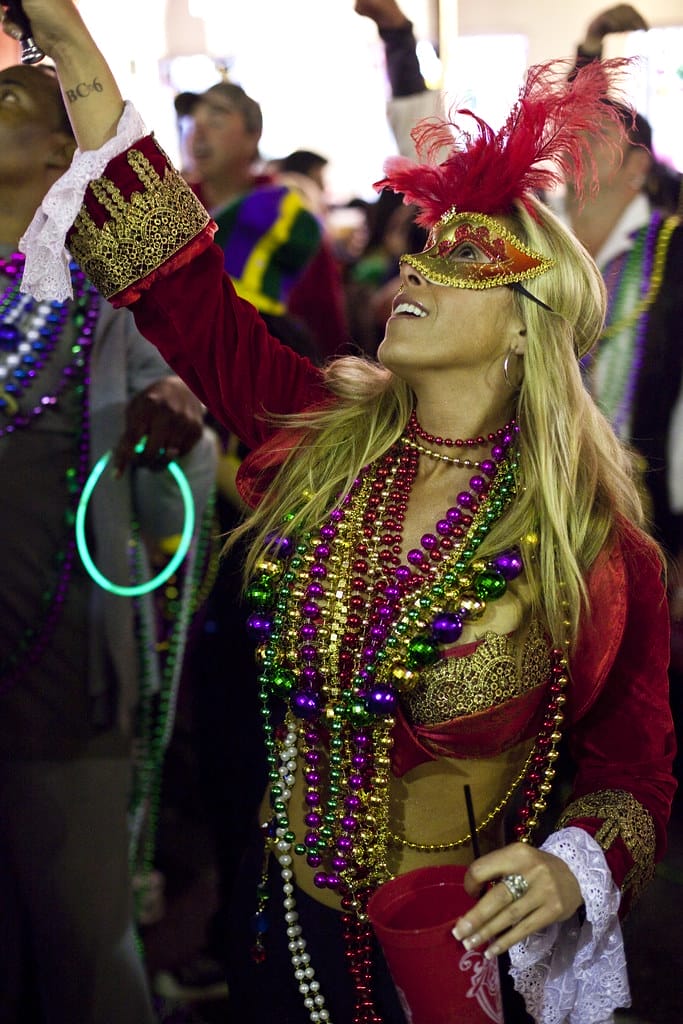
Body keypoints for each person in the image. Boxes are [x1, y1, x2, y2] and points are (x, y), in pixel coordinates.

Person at [5, 4, 678, 1023]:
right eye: (419, 249)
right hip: (283, 929)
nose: (414, 266)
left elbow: (632, 768)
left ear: (523, 326)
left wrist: (568, 862)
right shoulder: (318, 444)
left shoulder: (592, 543)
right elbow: (177, 281)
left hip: (462, 958)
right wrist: (62, 29)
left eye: (461, 259)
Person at [0, 57, 217, 1023]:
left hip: (66, 670)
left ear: (60, 152)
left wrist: (179, 419)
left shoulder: (110, 291)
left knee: (83, 944)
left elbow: (178, 483)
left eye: (9, 98)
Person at [562, 4, 683, 785]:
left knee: (634, 726)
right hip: (545, 509)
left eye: (595, 142)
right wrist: (583, 53)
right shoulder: (548, 247)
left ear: (637, 165)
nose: (573, 158)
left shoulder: (673, 251)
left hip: (643, 522)